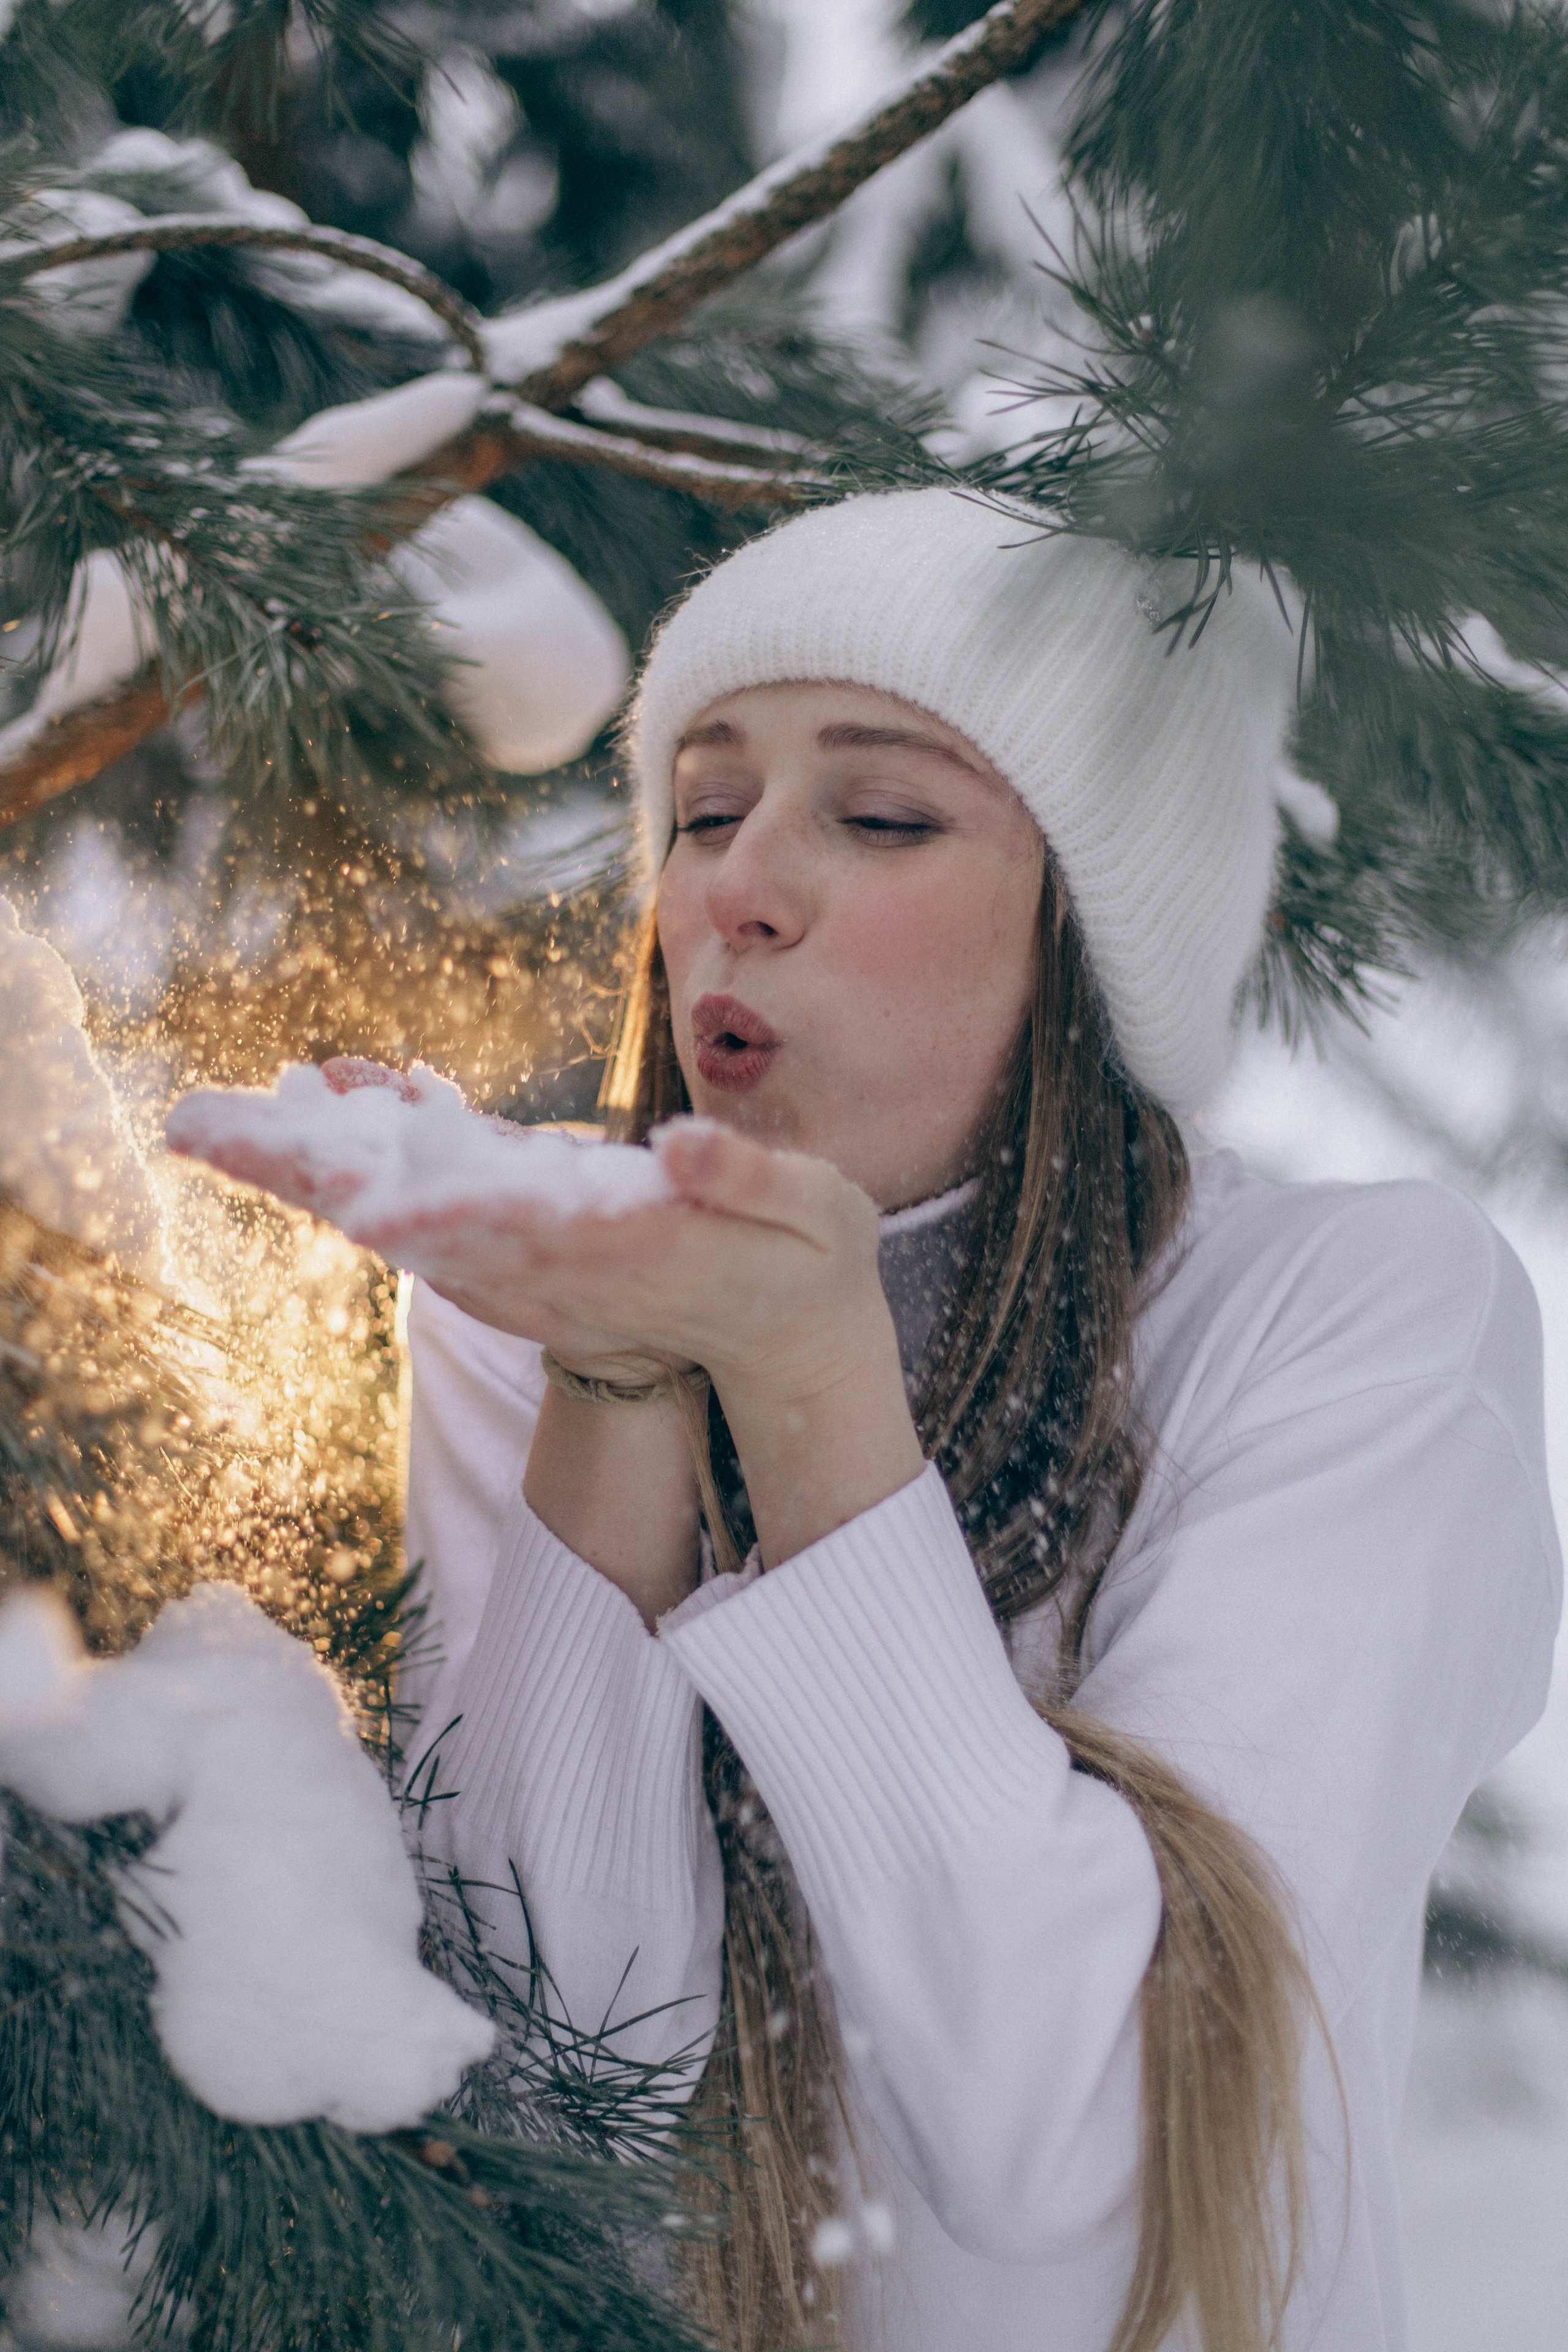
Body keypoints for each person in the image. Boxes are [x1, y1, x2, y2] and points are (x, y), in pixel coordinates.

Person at [396, 489, 1561, 2352]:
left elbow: (1082, 2135)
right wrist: (616, 1388)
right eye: (702, 811)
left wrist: (805, 1382)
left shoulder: (1355, 1326)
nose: (734, 887)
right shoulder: (541, 1299)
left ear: (1086, 936)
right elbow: (560, 2098)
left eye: (881, 814)